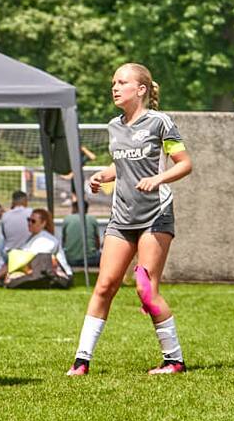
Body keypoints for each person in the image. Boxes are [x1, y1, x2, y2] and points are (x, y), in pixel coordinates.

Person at [69, 63, 194, 376]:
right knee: (104, 286)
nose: (114, 87)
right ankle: (81, 361)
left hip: (155, 215)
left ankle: (173, 360)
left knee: (145, 289)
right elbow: (122, 164)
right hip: (121, 217)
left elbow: (184, 164)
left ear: (141, 89)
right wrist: (103, 175)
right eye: (113, 82)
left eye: (122, 82)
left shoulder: (160, 122)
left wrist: (159, 179)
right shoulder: (114, 126)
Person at [59, 195, 99, 272]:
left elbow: (63, 241)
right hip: (91, 260)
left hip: (71, 260)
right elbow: (97, 242)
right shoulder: (92, 219)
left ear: (74, 208)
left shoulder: (67, 219)